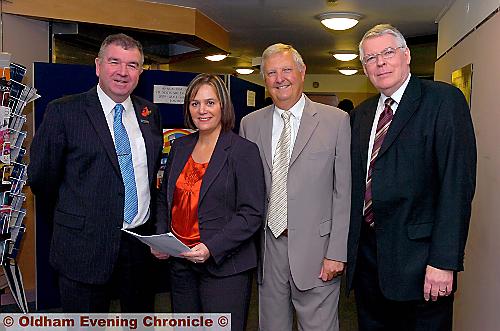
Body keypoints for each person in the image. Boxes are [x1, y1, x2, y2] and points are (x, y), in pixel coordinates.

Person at [347, 24, 477, 331]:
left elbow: (456, 184)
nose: (380, 62)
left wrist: (444, 261)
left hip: (422, 265)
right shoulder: (361, 115)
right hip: (368, 262)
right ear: (365, 69)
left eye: (388, 53)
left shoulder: (444, 101)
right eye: (371, 58)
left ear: (406, 56)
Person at [28, 34, 163, 312]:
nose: (123, 72)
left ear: (140, 71)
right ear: (98, 65)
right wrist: (77, 214)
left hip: (139, 244)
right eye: (115, 62)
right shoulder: (64, 112)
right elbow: (42, 179)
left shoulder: (149, 113)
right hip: (83, 245)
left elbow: (149, 177)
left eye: (132, 65)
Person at [240, 43, 351, 331]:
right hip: (269, 247)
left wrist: (337, 252)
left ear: (302, 72)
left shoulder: (336, 121)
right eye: (272, 73)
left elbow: (344, 192)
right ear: (264, 79)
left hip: (318, 250)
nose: (280, 79)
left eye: (287, 70)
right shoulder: (250, 124)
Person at [153, 73, 265, 331]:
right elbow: (164, 198)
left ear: (223, 106)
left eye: (210, 103)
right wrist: (160, 236)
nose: (202, 110)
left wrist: (210, 248)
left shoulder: (243, 151)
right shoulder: (180, 147)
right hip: (181, 263)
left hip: (224, 267)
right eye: (195, 103)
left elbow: (251, 213)